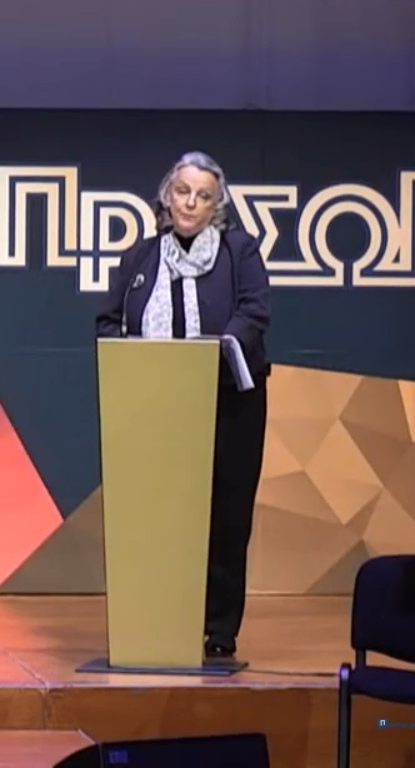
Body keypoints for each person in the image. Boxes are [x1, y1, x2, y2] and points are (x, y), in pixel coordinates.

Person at [95, 151, 271, 658]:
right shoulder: (140, 257)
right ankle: (160, 619)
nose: (191, 202)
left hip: (228, 403)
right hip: (156, 404)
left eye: (203, 195)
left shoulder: (239, 251)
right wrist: (131, 359)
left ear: (217, 206)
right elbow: (108, 321)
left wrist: (212, 353)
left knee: (226, 515)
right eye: (182, 191)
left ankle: (219, 629)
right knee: (158, 514)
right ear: (167, 197)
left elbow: (254, 312)